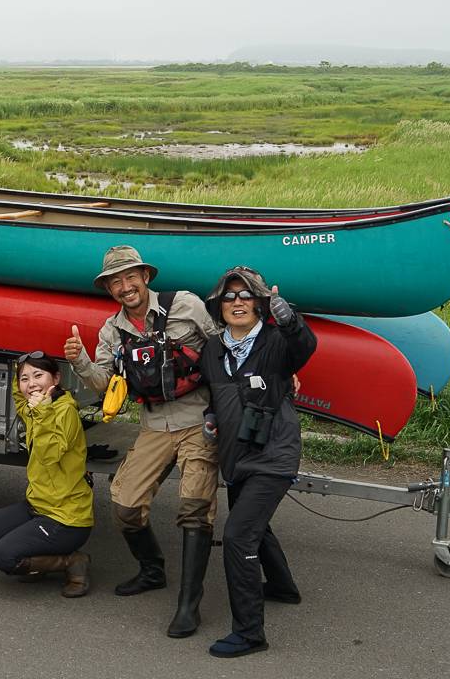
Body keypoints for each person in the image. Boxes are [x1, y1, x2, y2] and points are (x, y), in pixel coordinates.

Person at [64, 245, 221, 638]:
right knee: (125, 505)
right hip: (155, 424)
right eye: (115, 282)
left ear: (145, 277)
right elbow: (104, 384)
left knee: (195, 506)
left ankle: (188, 604)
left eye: (130, 277)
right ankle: (152, 570)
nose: (125, 286)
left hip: (199, 419)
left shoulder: (185, 305)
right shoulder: (111, 331)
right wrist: (80, 361)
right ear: (108, 289)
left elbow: (224, 348)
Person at [198, 266, 316, 658]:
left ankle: (250, 633)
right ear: (219, 305)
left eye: (246, 295)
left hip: (273, 456)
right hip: (236, 457)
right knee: (255, 525)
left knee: (238, 536)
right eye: (229, 296)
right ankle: (282, 587)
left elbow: (304, 347)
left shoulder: (277, 341)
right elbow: (215, 394)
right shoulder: (213, 349)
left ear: (260, 303)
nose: (237, 302)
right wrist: (211, 417)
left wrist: (290, 320)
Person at [0, 351, 93, 598]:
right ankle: (40, 559)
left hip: (66, 518)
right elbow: (20, 398)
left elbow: (49, 455)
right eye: (25, 379)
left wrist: (42, 412)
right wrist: (19, 364)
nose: (31, 384)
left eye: (38, 375)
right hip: (38, 505)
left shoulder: (64, 412)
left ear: (56, 378)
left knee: (4, 557)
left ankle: (72, 561)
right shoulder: (35, 407)